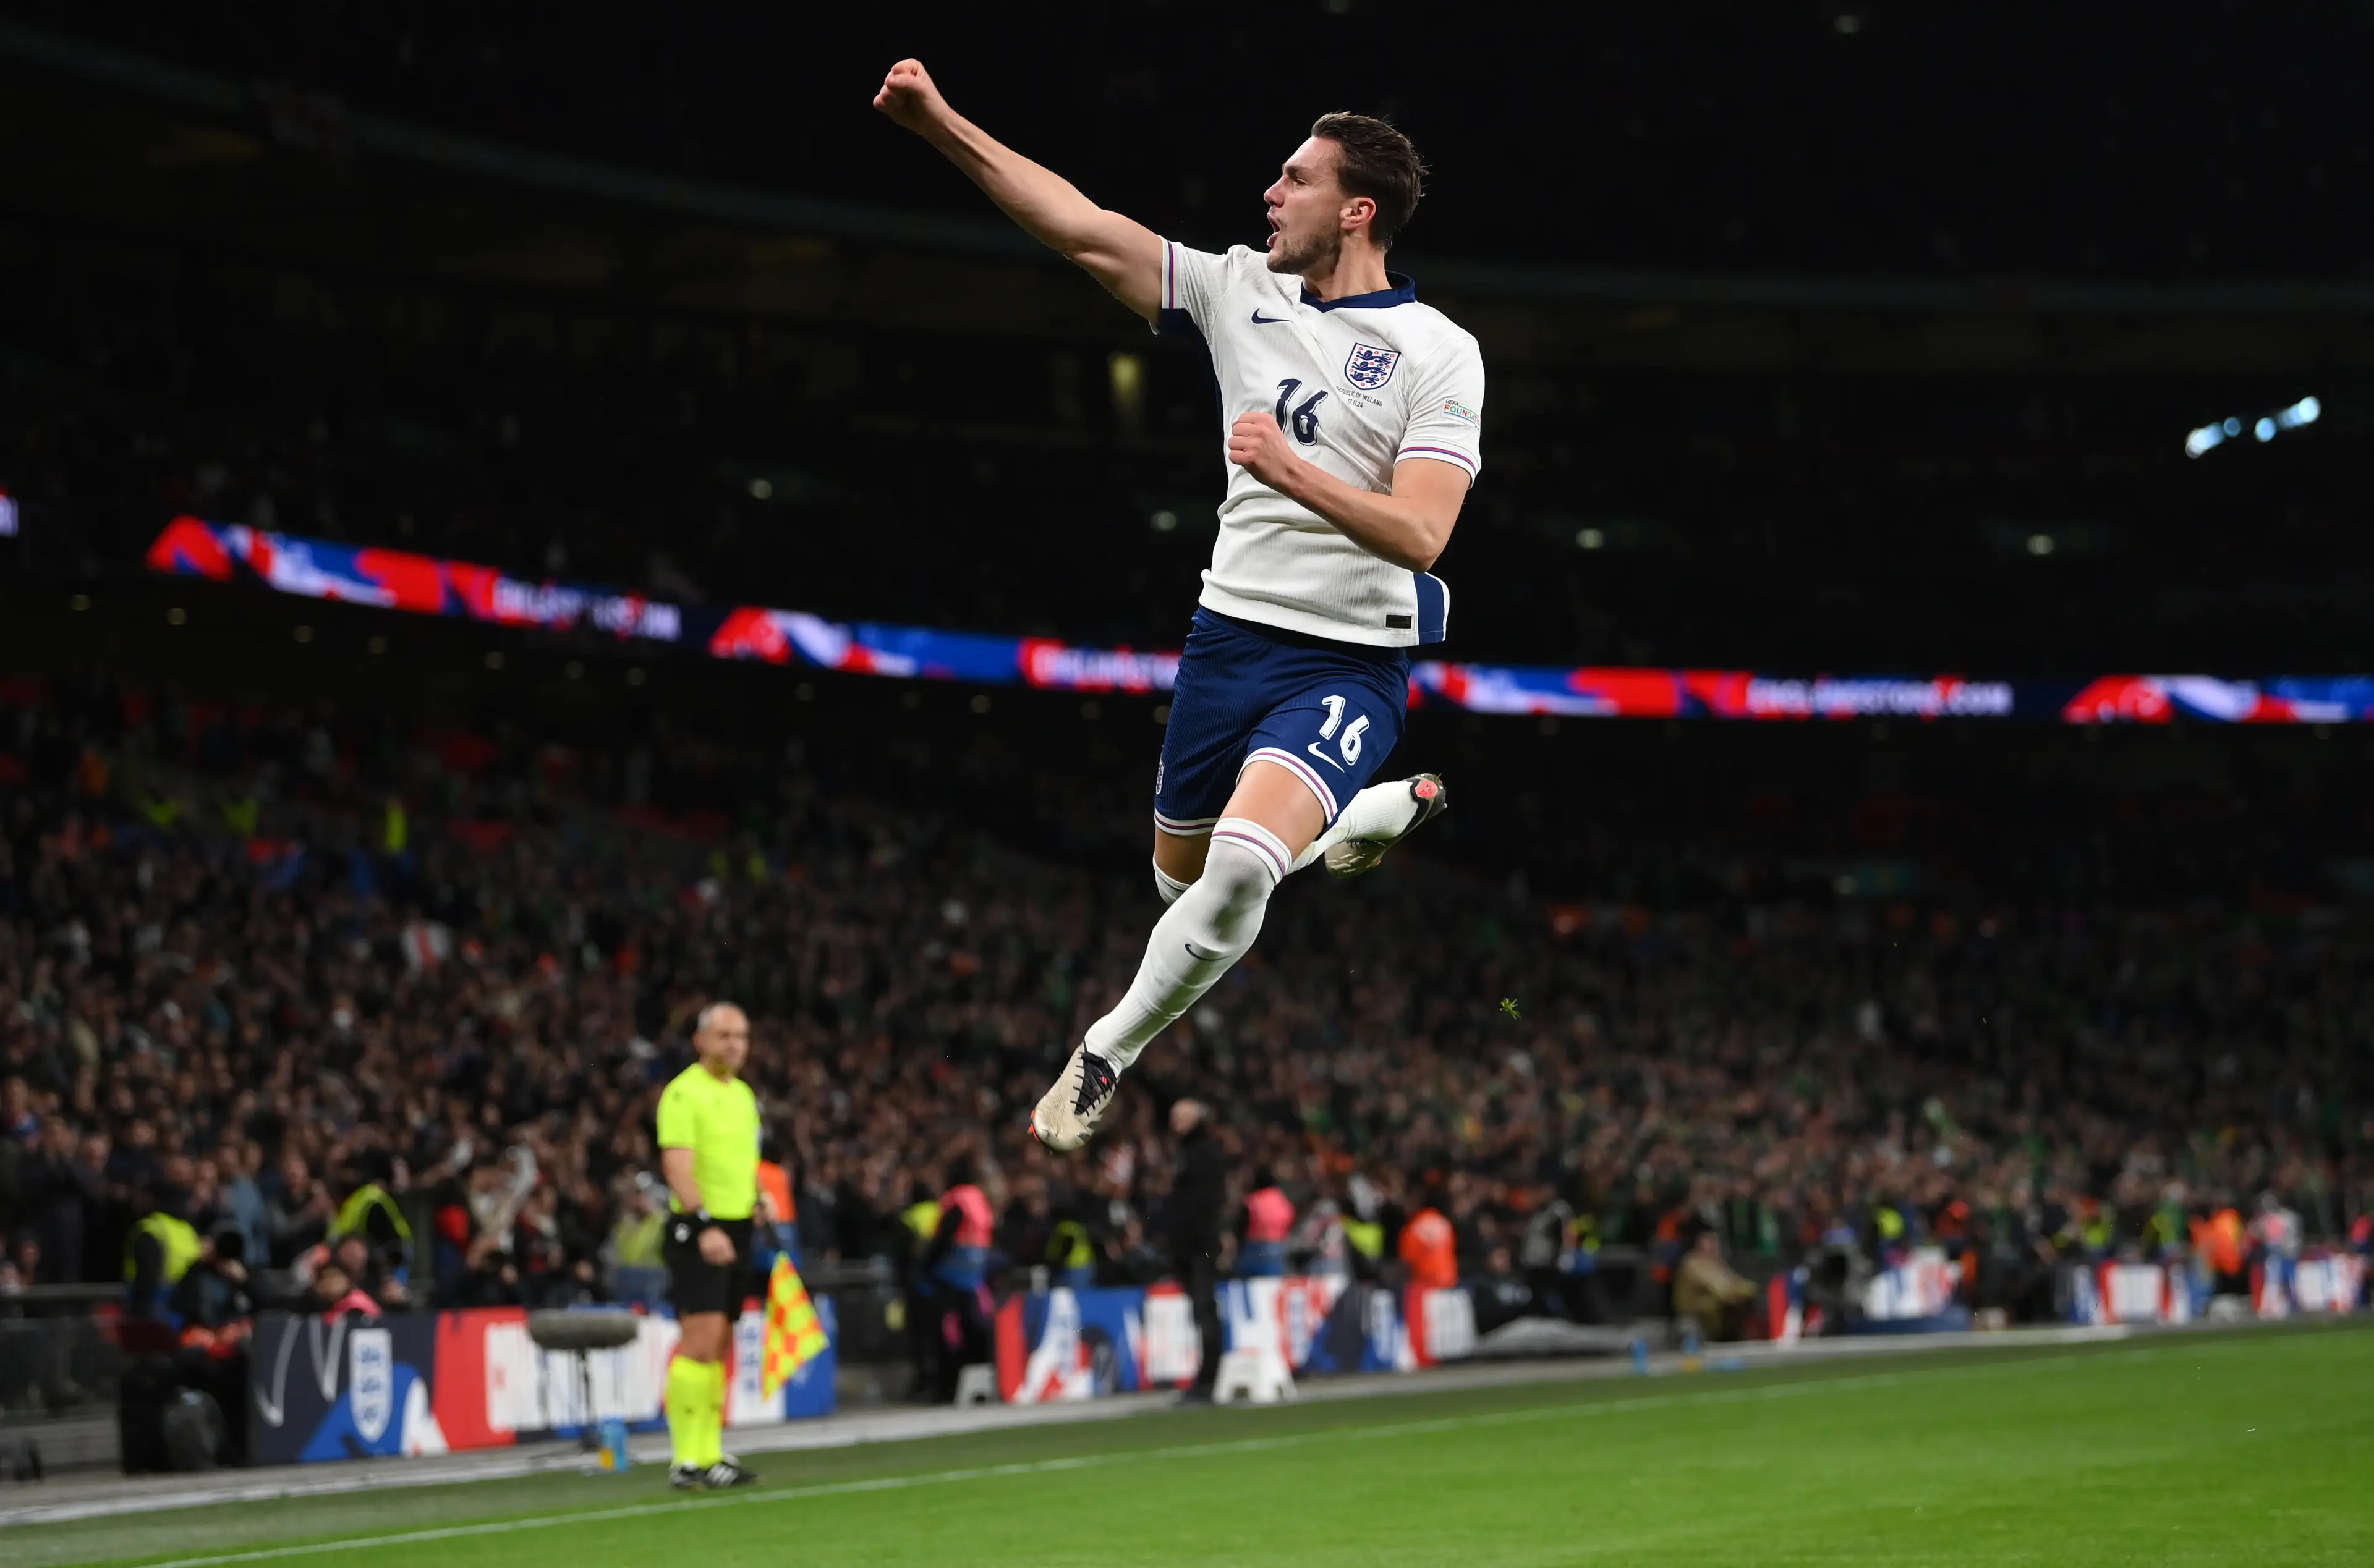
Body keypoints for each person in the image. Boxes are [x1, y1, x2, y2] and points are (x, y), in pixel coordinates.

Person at [874, 59, 1482, 1153]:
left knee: (1245, 866)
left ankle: (1103, 1054)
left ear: (1356, 209)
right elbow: (1081, 228)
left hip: (1345, 661)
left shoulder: (1440, 354)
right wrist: (938, 125)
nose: (1269, 194)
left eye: (1293, 180)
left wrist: (1293, 472)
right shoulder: (1235, 287)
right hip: (1227, 644)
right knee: (1184, 888)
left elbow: (1425, 533)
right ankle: (1361, 818)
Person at [656, 1001, 767, 1491]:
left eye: (740, 1035)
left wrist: (756, 1198)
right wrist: (705, 1224)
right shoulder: (683, 1092)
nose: (734, 1044)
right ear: (700, 1040)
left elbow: (736, 1160)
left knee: (720, 1343)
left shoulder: (743, 1094)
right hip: (701, 1228)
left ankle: (710, 1452)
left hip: (738, 1224)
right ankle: (685, 1458)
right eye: (724, 1035)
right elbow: (678, 1166)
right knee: (699, 1342)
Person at [1166, 1100, 1229, 1404]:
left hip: (1199, 1248)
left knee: (1205, 1312)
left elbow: (1204, 1207)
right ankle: (1205, 1380)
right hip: (1190, 1247)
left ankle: (1208, 1382)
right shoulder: (1190, 1153)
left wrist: (1202, 1244)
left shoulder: (1203, 1154)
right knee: (1202, 1313)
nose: (1175, 1122)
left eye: (1181, 1117)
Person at [1672, 1229, 1757, 1343]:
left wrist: (1744, 1290)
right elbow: (1721, 1290)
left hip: (1716, 1314)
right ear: (1700, 1244)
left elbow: (1741, 1284)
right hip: (1696, 1316)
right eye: (1710, 1241)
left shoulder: (1716, 1262)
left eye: (1715, 1241)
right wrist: (1740, 1291)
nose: (1714, 1245)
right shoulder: (1694, 1263)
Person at [1236, 1168, 1293, 1278]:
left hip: (1255, 1249)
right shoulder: (1282, 1199)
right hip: (1279, 1248)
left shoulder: (1253, 1201)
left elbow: (1241, 1226)